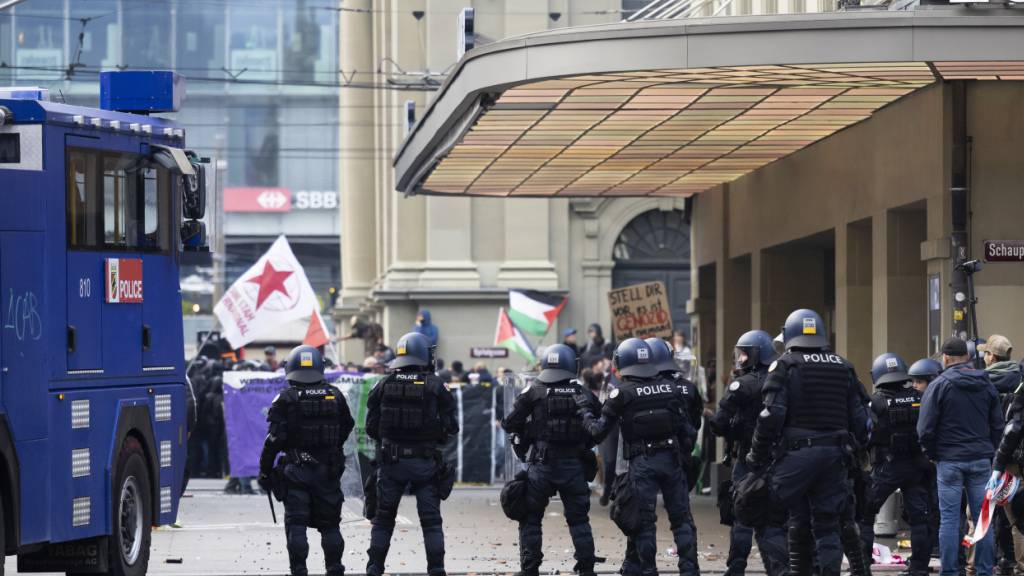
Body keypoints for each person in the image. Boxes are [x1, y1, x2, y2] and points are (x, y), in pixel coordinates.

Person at [746, 309, 869, 576]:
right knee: (827, 525)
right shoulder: (843, 365)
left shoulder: (785, 365)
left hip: (796, 457)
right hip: (835, 456)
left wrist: (757, 456)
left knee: (767, 514)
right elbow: (861, 419)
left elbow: (771, 416)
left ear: (790, 335)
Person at [578, 338, 699, 576]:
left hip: (642, 463)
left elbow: (598, 432)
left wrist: (584, 411)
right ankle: (690, 570)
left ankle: (648, 570)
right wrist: (682, 455)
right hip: (672, 461)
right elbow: (689, 431)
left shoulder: (621, 394)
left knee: (644, 523)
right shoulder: (672, 388)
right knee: (682, 520)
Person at [502, 344, 602, 576]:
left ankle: (530, 569)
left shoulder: (534, 391)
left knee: (531, 518)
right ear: (571, 365)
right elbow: (599, 424)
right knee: (578, 519)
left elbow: (510, 423)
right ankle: (586, 569)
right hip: (574, 465)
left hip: (542, 465)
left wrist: (528, 436)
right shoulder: (583, 393)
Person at [365, 332, 458, 576]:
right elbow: (452, 427)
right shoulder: (436, 385)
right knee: (431, 523)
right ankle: (436, 570)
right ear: (424, 354)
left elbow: (371, 427)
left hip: (391, 463)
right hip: (425, 463)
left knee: (383, 521)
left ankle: (374, 569)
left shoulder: (383, 383)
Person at [258, 346, 355, 576]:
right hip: (328, 471)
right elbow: (347, 426)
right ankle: (334, 569)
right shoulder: (336, 395)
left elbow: (273, 440)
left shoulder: (286, 398)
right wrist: (331, 449)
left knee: (296, 524)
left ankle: (299, 570)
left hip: (297, 471)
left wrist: (264, 471)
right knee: (330, 525)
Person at [918, 337, 1004, 576]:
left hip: (949, 461)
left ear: (945, 358)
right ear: (967, 357)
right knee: (983, 519)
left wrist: (932, 454)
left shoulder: (939, 385)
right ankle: (985, 570)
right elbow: (998, 424)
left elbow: (924, 428)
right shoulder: (986, 383)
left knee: (949, 519)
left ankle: (950, 572)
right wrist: (991, 451)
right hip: (980, 460)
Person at [709, 330, 788, 576]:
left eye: (744, 354)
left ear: (756, 355)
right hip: (780, 458)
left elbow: (719, 424)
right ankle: (780, 568)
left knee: (742, 513)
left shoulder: (741, 385)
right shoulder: (784, 380)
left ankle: (736, 568)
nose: (740, 358)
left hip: (747, 458)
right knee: (776, 517)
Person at [859, 353, 933, 576]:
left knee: (865, 514)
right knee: (921, 520)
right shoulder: (920, 397)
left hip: (886, 468)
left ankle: (862, 568)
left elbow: (865, 435)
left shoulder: (876, 402)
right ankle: (918, 569)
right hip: (917, 468)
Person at [982, 335, 1021, 575]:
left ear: (992, 357)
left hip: (992, 454)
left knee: (986, 510)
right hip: (1016, 456)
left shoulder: (985, 381)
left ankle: (984, 562)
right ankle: (1013, 560)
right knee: (1015, 512)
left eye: (985, 353)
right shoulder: (1020, 377)